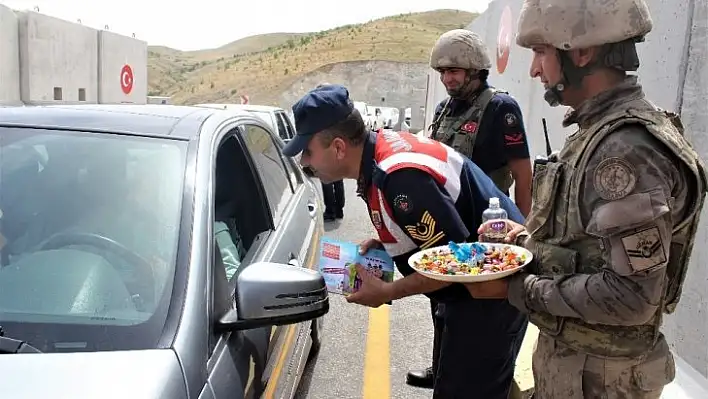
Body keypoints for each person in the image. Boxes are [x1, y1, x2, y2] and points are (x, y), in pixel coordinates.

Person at [470, 1, 708, 398]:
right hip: (580, 368)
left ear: (581, 52)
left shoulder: (625, 151)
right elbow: (586, 245)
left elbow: (631, 297)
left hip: (600, 379)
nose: (533, 69)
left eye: (541, 52)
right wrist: (524, 241)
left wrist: (518, 289)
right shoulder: (598, 132)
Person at [282, 84, 528, 399]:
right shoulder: (380, 150)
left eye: (309, 152)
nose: (305, 163)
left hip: (488, 295)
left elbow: (458, 261)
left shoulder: (399, 178)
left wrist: (388, 292)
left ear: (339, 147)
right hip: (472, 288)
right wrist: (390, 238)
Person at [408, 28, 534, 389]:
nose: (448, 79)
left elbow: (523, 176)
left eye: (455, 71)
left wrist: (519, 235)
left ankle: (482, 377)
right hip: (448, 226)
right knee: (442, 302)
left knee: (480, 315)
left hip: (490, 230)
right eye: (443, 72)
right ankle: (441, 367)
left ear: (476, 69)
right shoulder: (443, 109)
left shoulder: (500, 109)